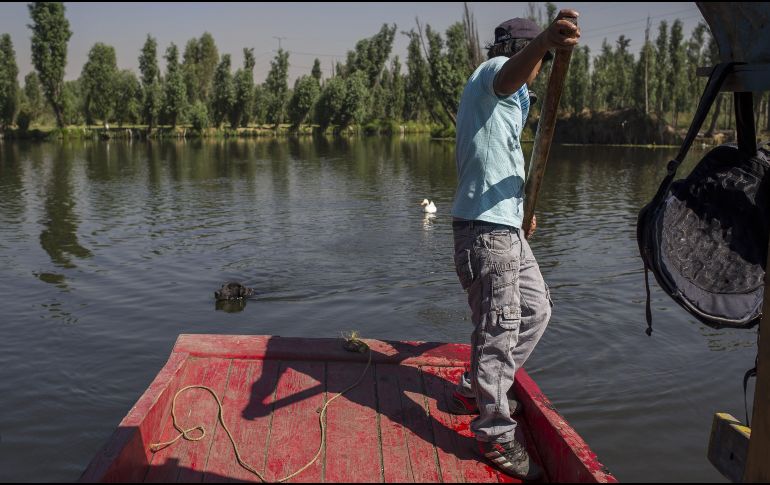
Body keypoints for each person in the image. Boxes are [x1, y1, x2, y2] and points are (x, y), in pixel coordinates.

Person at [448, 9, 580, 481]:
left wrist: (521, 205)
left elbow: (495, 156)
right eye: (535, 54)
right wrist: (545, 39)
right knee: (498, 331)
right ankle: (496, 434)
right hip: (485, 232)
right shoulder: (491, 76)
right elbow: (507, 74)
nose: (538, 65)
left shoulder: (514, 98)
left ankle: (476, 386)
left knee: (537, 310)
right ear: (523, 52)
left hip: (506, 225)